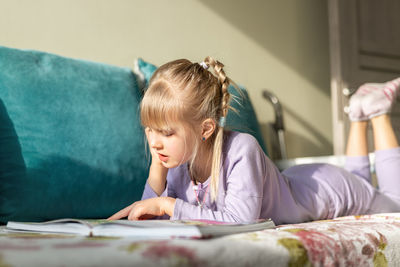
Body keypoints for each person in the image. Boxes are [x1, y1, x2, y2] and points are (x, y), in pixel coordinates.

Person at [108, 56, 400, 225]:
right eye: (150, 130)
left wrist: (168, 204)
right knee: (364, 182)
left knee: (394, 205)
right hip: (295, 183)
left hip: (328, 189)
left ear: (205, 129)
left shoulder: (241, 148)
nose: (155, 142)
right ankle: (360, 113)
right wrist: (157, 175)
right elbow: (150, 220)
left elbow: (241, 220)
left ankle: (377, 112)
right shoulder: (180, 161)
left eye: (166, 133)